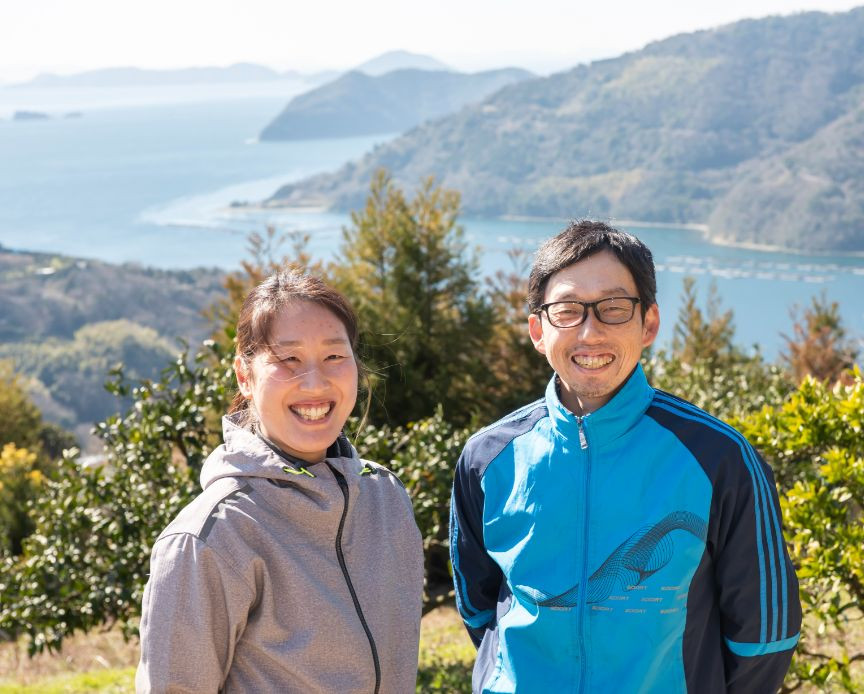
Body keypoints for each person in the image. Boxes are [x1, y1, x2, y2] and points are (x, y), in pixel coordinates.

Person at [449, 221, 801, 693]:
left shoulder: (718, 457)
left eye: (614, 309)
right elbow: (479, 609)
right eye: (567, 311)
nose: (590, 332)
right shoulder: (488, 458)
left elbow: (765, 637)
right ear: (538, 330)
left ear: (648, 323)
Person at [136, 270, 424, 693]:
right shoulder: (211, 538)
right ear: (244, 376)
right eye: (288, 359)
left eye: (334, 356)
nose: (315, 383)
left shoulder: (386, 499)